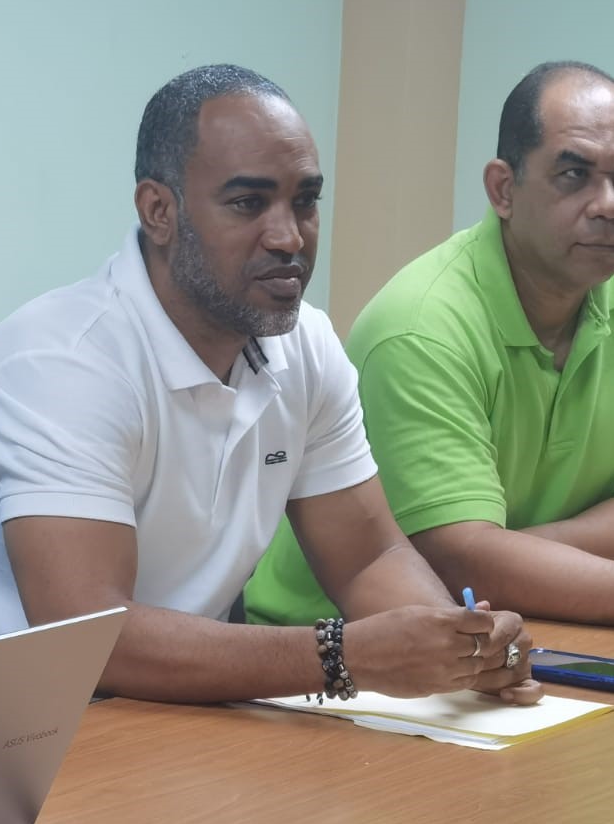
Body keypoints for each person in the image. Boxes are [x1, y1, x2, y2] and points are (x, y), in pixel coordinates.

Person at [0, 64, 540, 714]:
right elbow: (93, 640)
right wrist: (346, 654)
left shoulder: (307, 346)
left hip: (163, 725)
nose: (289, 236)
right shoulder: (61, 361)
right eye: (247, 203)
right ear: (159, 210)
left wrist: (458, 646)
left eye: (306, 200)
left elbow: (367, 557)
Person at [246, 61, 614, 629]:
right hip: (331, 654)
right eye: (574, 175)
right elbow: (464, 563)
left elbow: (479, 561)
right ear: (504, 189)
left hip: (530, 625)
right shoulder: (421, 327)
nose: (607, 204)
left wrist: (511, 551)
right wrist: (492, 556)